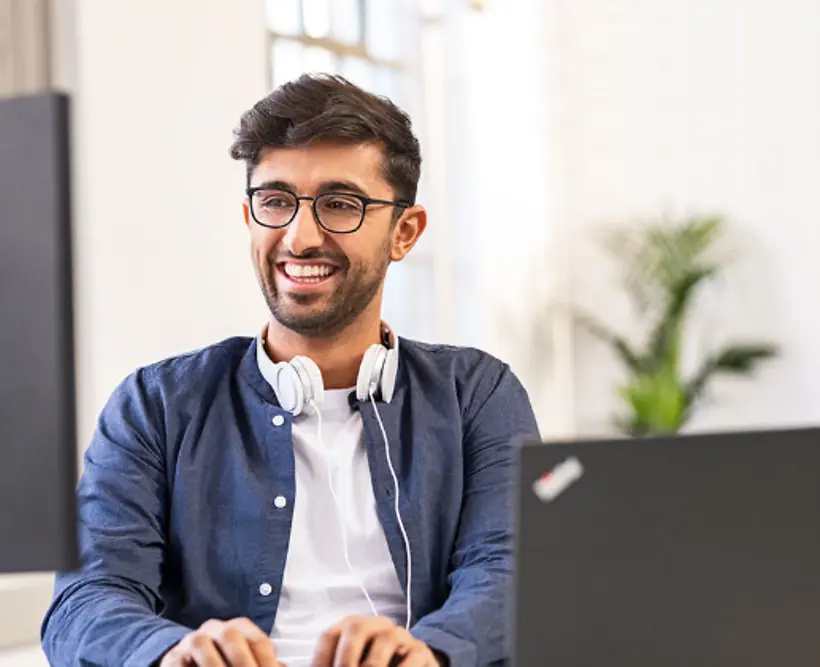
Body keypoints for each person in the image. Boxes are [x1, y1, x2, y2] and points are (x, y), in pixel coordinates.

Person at [41, 74, 539, 667]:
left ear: (404, 232)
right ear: (250, 217)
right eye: (275, 201)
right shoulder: (154, 405)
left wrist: (429, 651)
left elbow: (510, 569)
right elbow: (85, 599)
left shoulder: (476, 395)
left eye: (340, 204)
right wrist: (173, 652)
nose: (300, 238)